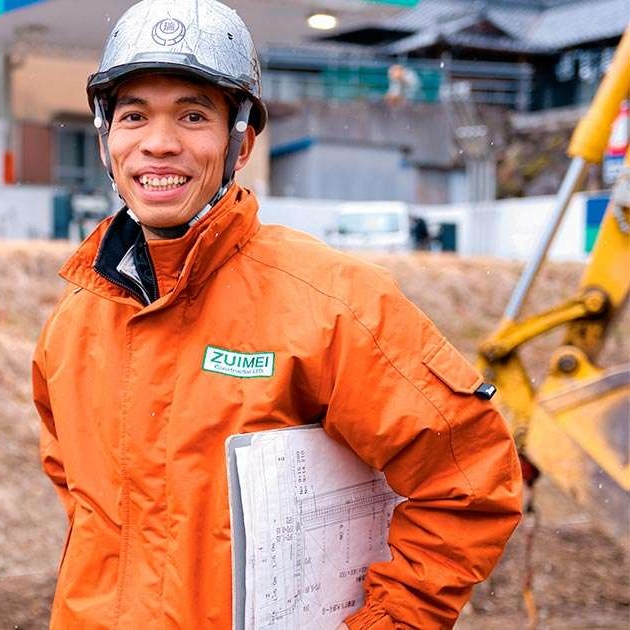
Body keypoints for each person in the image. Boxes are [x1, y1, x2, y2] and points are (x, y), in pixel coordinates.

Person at [30, 1, 522, 628]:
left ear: (240, 144)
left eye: (193, 115)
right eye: (134, 116)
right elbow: (83, 498)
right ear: (106, 139)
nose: (158, 143)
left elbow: (468, 478)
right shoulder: (75, 321)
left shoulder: (332, 304)